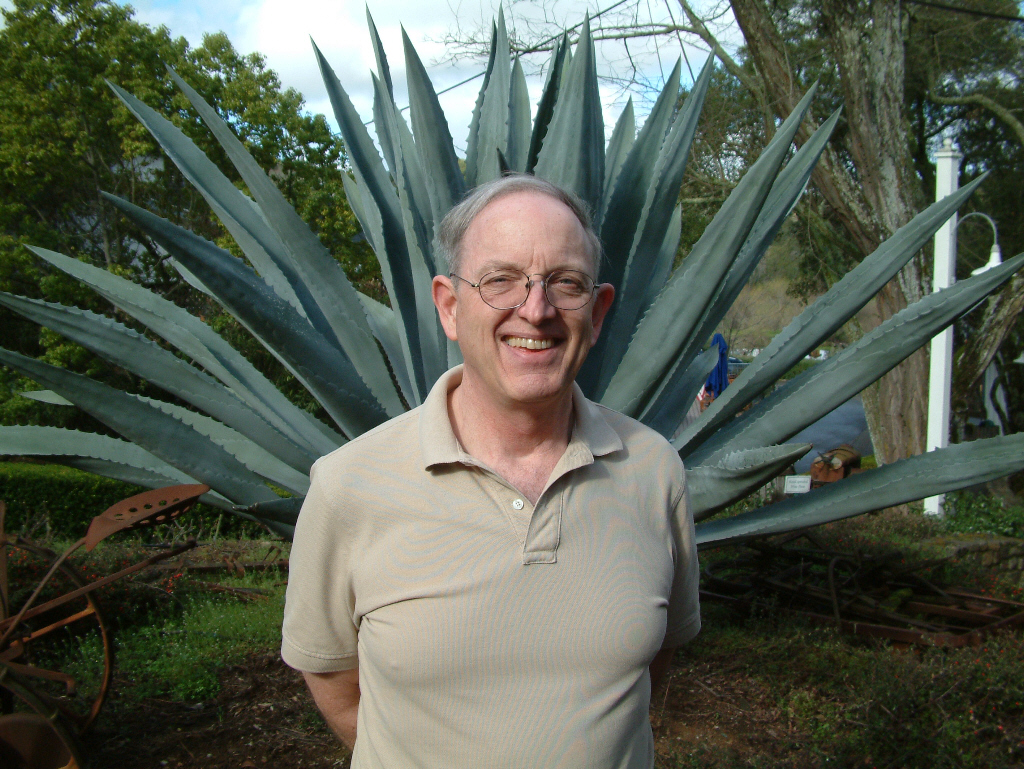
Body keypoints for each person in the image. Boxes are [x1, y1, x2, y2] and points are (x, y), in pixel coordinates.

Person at [281, 174, 700, 768]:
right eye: (500, 280)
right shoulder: (348, 486)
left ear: (599, 311)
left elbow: (649, 667)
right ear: (450, 307)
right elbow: (336, 686)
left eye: (566, 283)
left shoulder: (654, 471)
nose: (536, 310)